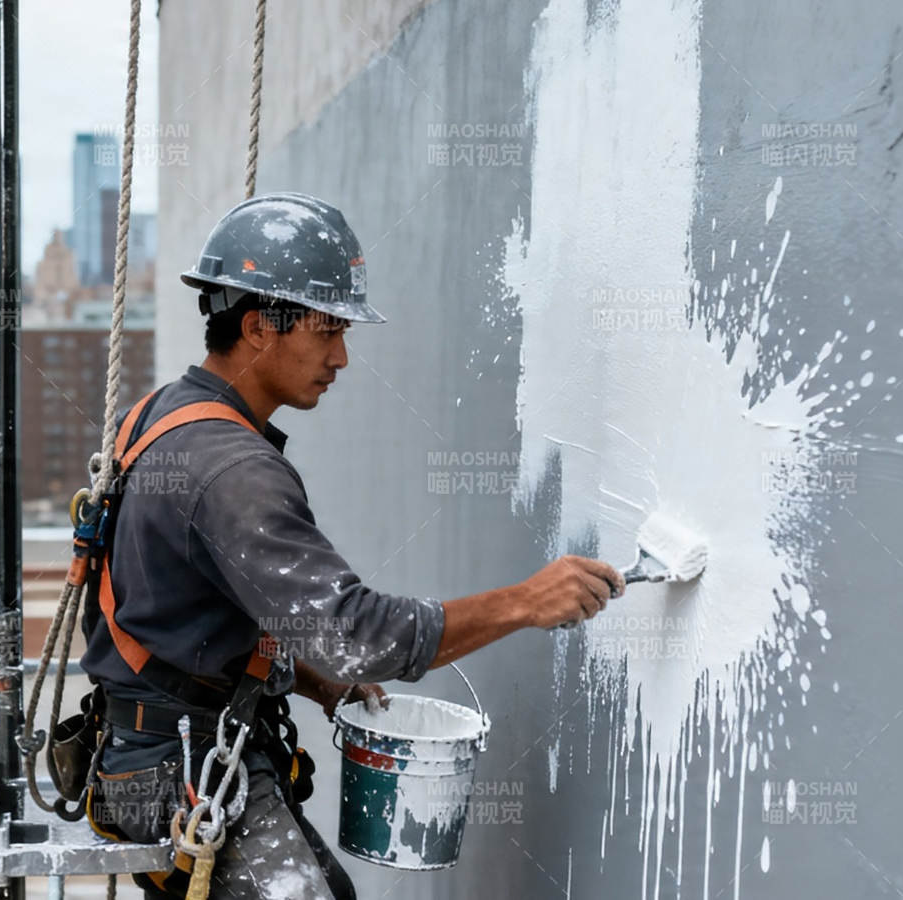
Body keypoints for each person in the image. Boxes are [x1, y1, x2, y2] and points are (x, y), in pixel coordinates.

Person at [80, 192, 624, 898]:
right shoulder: (232, 469)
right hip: (178, 775)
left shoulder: (165, 416)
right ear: (257, 327)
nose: (340, 355)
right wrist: (526, 602)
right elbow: (358, 636)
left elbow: (182, 609)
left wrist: (312, 681)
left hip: (152, 758)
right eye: (327, 329)